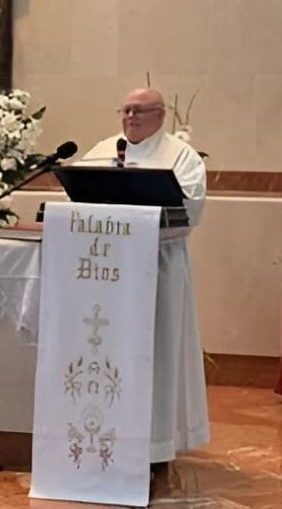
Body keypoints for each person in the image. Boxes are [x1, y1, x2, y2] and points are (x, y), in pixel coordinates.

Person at [83, 87, 210, 466]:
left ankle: (155, 445)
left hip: (158, 267)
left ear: (160, 114)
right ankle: (103, 431)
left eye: (139, 111)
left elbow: (190, 210)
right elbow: (80, 198)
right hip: (105, 270)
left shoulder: (181, 157)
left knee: (155, 351)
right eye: (125, 110)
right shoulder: (104, 150)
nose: (130, 118)